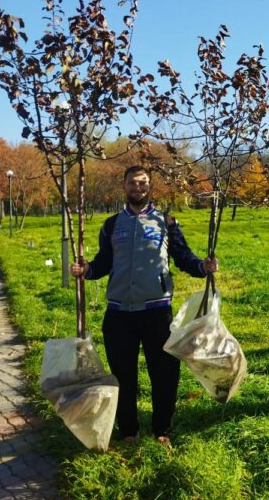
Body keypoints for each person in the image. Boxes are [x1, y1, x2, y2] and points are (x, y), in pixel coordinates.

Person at [71, 165, 217, 446]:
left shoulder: (167, 222)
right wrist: (86, 270)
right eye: (132, 183)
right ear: (123, 186)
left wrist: (203, 266)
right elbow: (103, 262)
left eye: (143, 183)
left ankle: (162, 429)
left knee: (164, 374)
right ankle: (128, 431)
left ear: (150, 187)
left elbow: (184, 257)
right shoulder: (112, 225)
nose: (137, 187)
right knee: (122, 376)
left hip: (156, 311)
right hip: (118, 314)